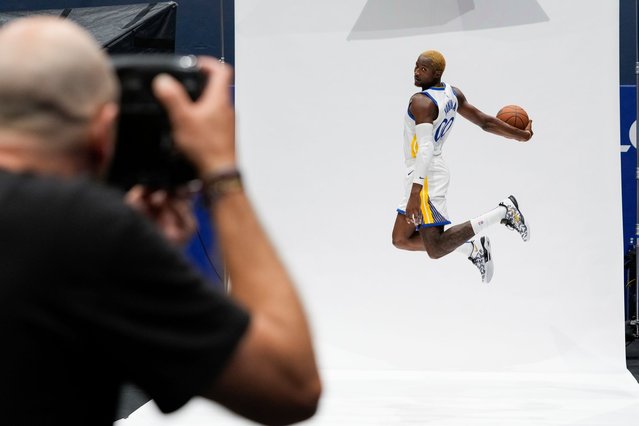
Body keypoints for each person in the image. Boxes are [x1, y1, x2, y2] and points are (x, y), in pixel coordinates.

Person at [0, 16, 321, 426]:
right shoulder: (90, 233)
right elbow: (289, 386)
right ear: (103, 132)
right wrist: (221, 173)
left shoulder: (93, 236)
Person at [391, 50, 533, 283]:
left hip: (425, 176)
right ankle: (473, 249)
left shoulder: (421, 102)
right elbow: (485, 122)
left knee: (435, 249)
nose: (416, 72)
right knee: (401, 239)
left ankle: (502, 212)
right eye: (415, 66)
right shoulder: (452, 93)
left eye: (423, 69)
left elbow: (425, 148)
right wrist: (520, 135)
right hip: (423, 172)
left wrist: (416, 193)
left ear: (437, 73)